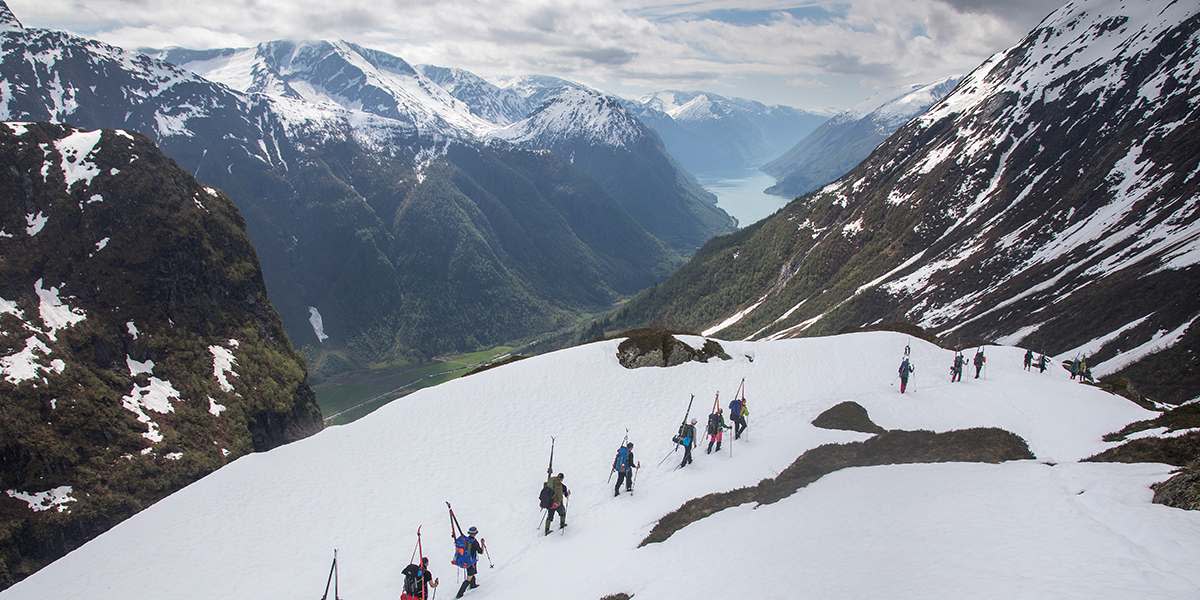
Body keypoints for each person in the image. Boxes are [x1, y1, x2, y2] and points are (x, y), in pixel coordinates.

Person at [453, 527, 484, 599]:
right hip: (471, 562)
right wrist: (482, 544)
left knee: (472, 573)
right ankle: (459, 594)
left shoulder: (466, 540)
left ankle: (473, 585)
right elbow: (481, 552)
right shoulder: (474, 542)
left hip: (466, 561)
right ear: (475, 533)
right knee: (469, 577)